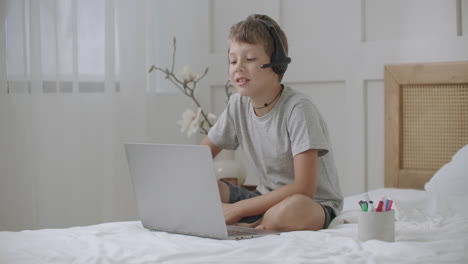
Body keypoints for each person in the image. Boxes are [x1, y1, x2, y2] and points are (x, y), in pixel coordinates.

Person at [200, 14, 343, 232]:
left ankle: (252, 228)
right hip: (264, 198)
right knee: (205, 187)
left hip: (312, 204)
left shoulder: (298, 109)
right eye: (233, 60)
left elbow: (304, 189)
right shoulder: (237, 105)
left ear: (276, 63)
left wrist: (238, 208)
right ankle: (252, 224)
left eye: (249, 59)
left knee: (292, 209)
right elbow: (197, 158)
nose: (238, 67)